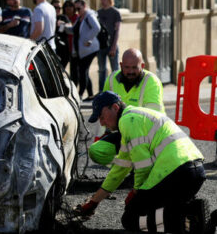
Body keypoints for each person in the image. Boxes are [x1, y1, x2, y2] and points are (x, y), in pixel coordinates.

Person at [77, 92, 208, 233]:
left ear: (115, 107)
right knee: (153, 208)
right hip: (196, 170)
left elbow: (143, 166)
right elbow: (119, 170)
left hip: (175, 173)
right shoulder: (137, 116)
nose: (102, 123)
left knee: (130, 220)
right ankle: (191, 212)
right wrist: (94, 202)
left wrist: (136, 192)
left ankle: (185, 220)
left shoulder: (128, 121)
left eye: (102, 117)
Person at [89, 48, 164, 167]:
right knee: (96, 151)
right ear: (121, 65)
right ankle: (125, 167)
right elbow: (103, 110)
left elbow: (152, 120)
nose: (130, 72)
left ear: (143, 65)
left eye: (135, 67)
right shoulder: (112, 79)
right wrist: (100, 136)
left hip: (146, 136)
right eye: (127, 67)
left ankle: (138, 166)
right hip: (123, 134)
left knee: (136, 152)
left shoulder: (151, 82)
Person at [72, 0, 99, 101]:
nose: (77, 11)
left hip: (89, 49)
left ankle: (80, 94)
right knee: (84, 71)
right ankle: (91, 94)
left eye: (79, 8)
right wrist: (64, 27)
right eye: (76, 9)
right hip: (82, 50)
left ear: (85, 6)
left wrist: (89, 39)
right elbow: (73, 30)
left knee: (83, 71)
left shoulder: (89, 16)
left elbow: (97, 27)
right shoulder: (80, 18)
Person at [96, 0, 122, 94]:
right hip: (101, 46)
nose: (102, 1)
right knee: (102, 70)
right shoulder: (98, 13)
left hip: (112, 45)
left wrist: (113, 47)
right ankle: (102, 91)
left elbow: (117, 30)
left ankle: (117, 91)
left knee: (114, 70)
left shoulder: (115, 12)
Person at [54, 0, 74, 69]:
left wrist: (64, 24)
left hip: (63, 50)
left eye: (59, 8)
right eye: (55, 7)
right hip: (52, 48)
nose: (58, 9)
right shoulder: (50, 17)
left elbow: (70, 27)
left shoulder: (63, 17)